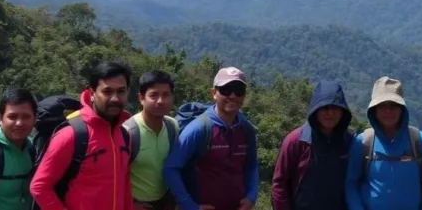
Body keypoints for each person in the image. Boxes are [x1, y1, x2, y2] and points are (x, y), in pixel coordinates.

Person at [30, 61, 134, 210]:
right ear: (92, 94)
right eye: (107, 92)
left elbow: (125, 185)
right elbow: (39, 187)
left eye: (121, 91)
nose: (115, 99)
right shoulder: (71, 135)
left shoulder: (123, 135)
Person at [163, 66, 258, 210]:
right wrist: (189, 205)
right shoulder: (199, 129)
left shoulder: (246, 129)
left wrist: (251, 196)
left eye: (238, 90)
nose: (233, 96)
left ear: (244, 95)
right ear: (214, 93)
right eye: (225, 90)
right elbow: (171, 168)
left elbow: (251, 164)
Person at [344, 76, 422, 210]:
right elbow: (351, 184)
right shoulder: (363, 142)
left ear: (402, 109)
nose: (388, 111)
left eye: (393, 105)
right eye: (382, 106)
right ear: (374, 109)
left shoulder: (419, 141)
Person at [272, 80, 354, 210]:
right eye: (325, 108)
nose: (330, 113)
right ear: (316, 110)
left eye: (335, 108)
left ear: (342, 111)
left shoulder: (349, 141)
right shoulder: (296, 141)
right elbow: (279, 184)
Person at [126, 71, 180, 210]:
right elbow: (114, 175)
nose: (160, 101)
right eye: (153, 95)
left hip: (166, 202)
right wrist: (130, 203)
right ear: (141, 98)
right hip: (138, 204)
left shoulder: (172, 126)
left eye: (166, 95)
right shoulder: (128, 131)